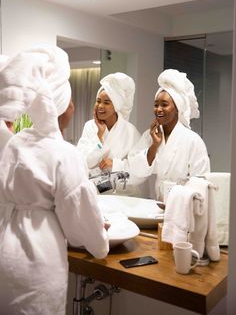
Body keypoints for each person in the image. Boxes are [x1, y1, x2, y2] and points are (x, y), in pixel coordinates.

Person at [0, 45, 109, 315]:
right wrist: (100, 241)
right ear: (62, 104)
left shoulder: (15, 144)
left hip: (6, 254)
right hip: (39, 263)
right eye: (70, 97)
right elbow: (81, 228)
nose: (74, 104)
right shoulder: (64, 153)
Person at [128, 69, 210, 201]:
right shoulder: (150, 136)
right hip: (159, 205)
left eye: (164, 105)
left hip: (184, 208)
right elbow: (136, 170)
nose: (158, 109)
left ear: (177, 108)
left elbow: (202, 182)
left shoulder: (193, 140)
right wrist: (154, 146)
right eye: (156, 105)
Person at [77, 72, 141, 195]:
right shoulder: (90, 126)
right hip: (94, 193)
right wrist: (100, 138)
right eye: (98, 101)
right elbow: (84, 161)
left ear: (116, 105)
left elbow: (137, 171)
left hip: (123, 195)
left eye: (106, 102)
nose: (100, 106)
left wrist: (115, 164)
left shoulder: (131, 132)